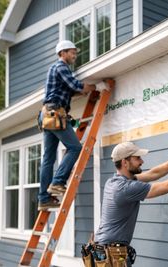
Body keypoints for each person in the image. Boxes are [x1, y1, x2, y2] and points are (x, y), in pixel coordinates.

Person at [93, 140, 168, 266]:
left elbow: (153, 173)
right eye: (137, 158)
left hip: (105, 250)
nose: (142, 161)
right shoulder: (125, 188)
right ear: (125, 162)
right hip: (111, 254)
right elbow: (167, 186)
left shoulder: (115, 181)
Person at [38, 40, 112, 210]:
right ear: (62, 53)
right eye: (72, 52)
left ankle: (43, 199)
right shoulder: (61, 67)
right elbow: (75, 85)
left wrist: (88, 89)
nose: (75, 56)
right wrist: (97, 86)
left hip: (48, 115)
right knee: (75, 148)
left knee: (48, 158)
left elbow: (72, 90)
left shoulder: (56, 70)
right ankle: (57, 182)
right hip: (55, 113)